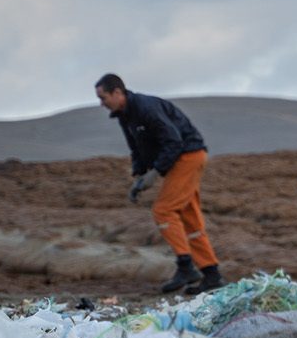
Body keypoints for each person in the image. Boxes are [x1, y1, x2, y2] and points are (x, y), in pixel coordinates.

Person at [95, 73, 224, 294]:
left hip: (188, 155)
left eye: (103, 97)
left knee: (164, 211)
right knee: (189, 218)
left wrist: (156, 173)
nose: (102, 103)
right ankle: (211, 275)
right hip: (180, 159)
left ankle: (186, 267)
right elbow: (137, 148)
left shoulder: (145, 107)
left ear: (117, 92)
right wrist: (139, 175)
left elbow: (173, 140)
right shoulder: (125, 115)